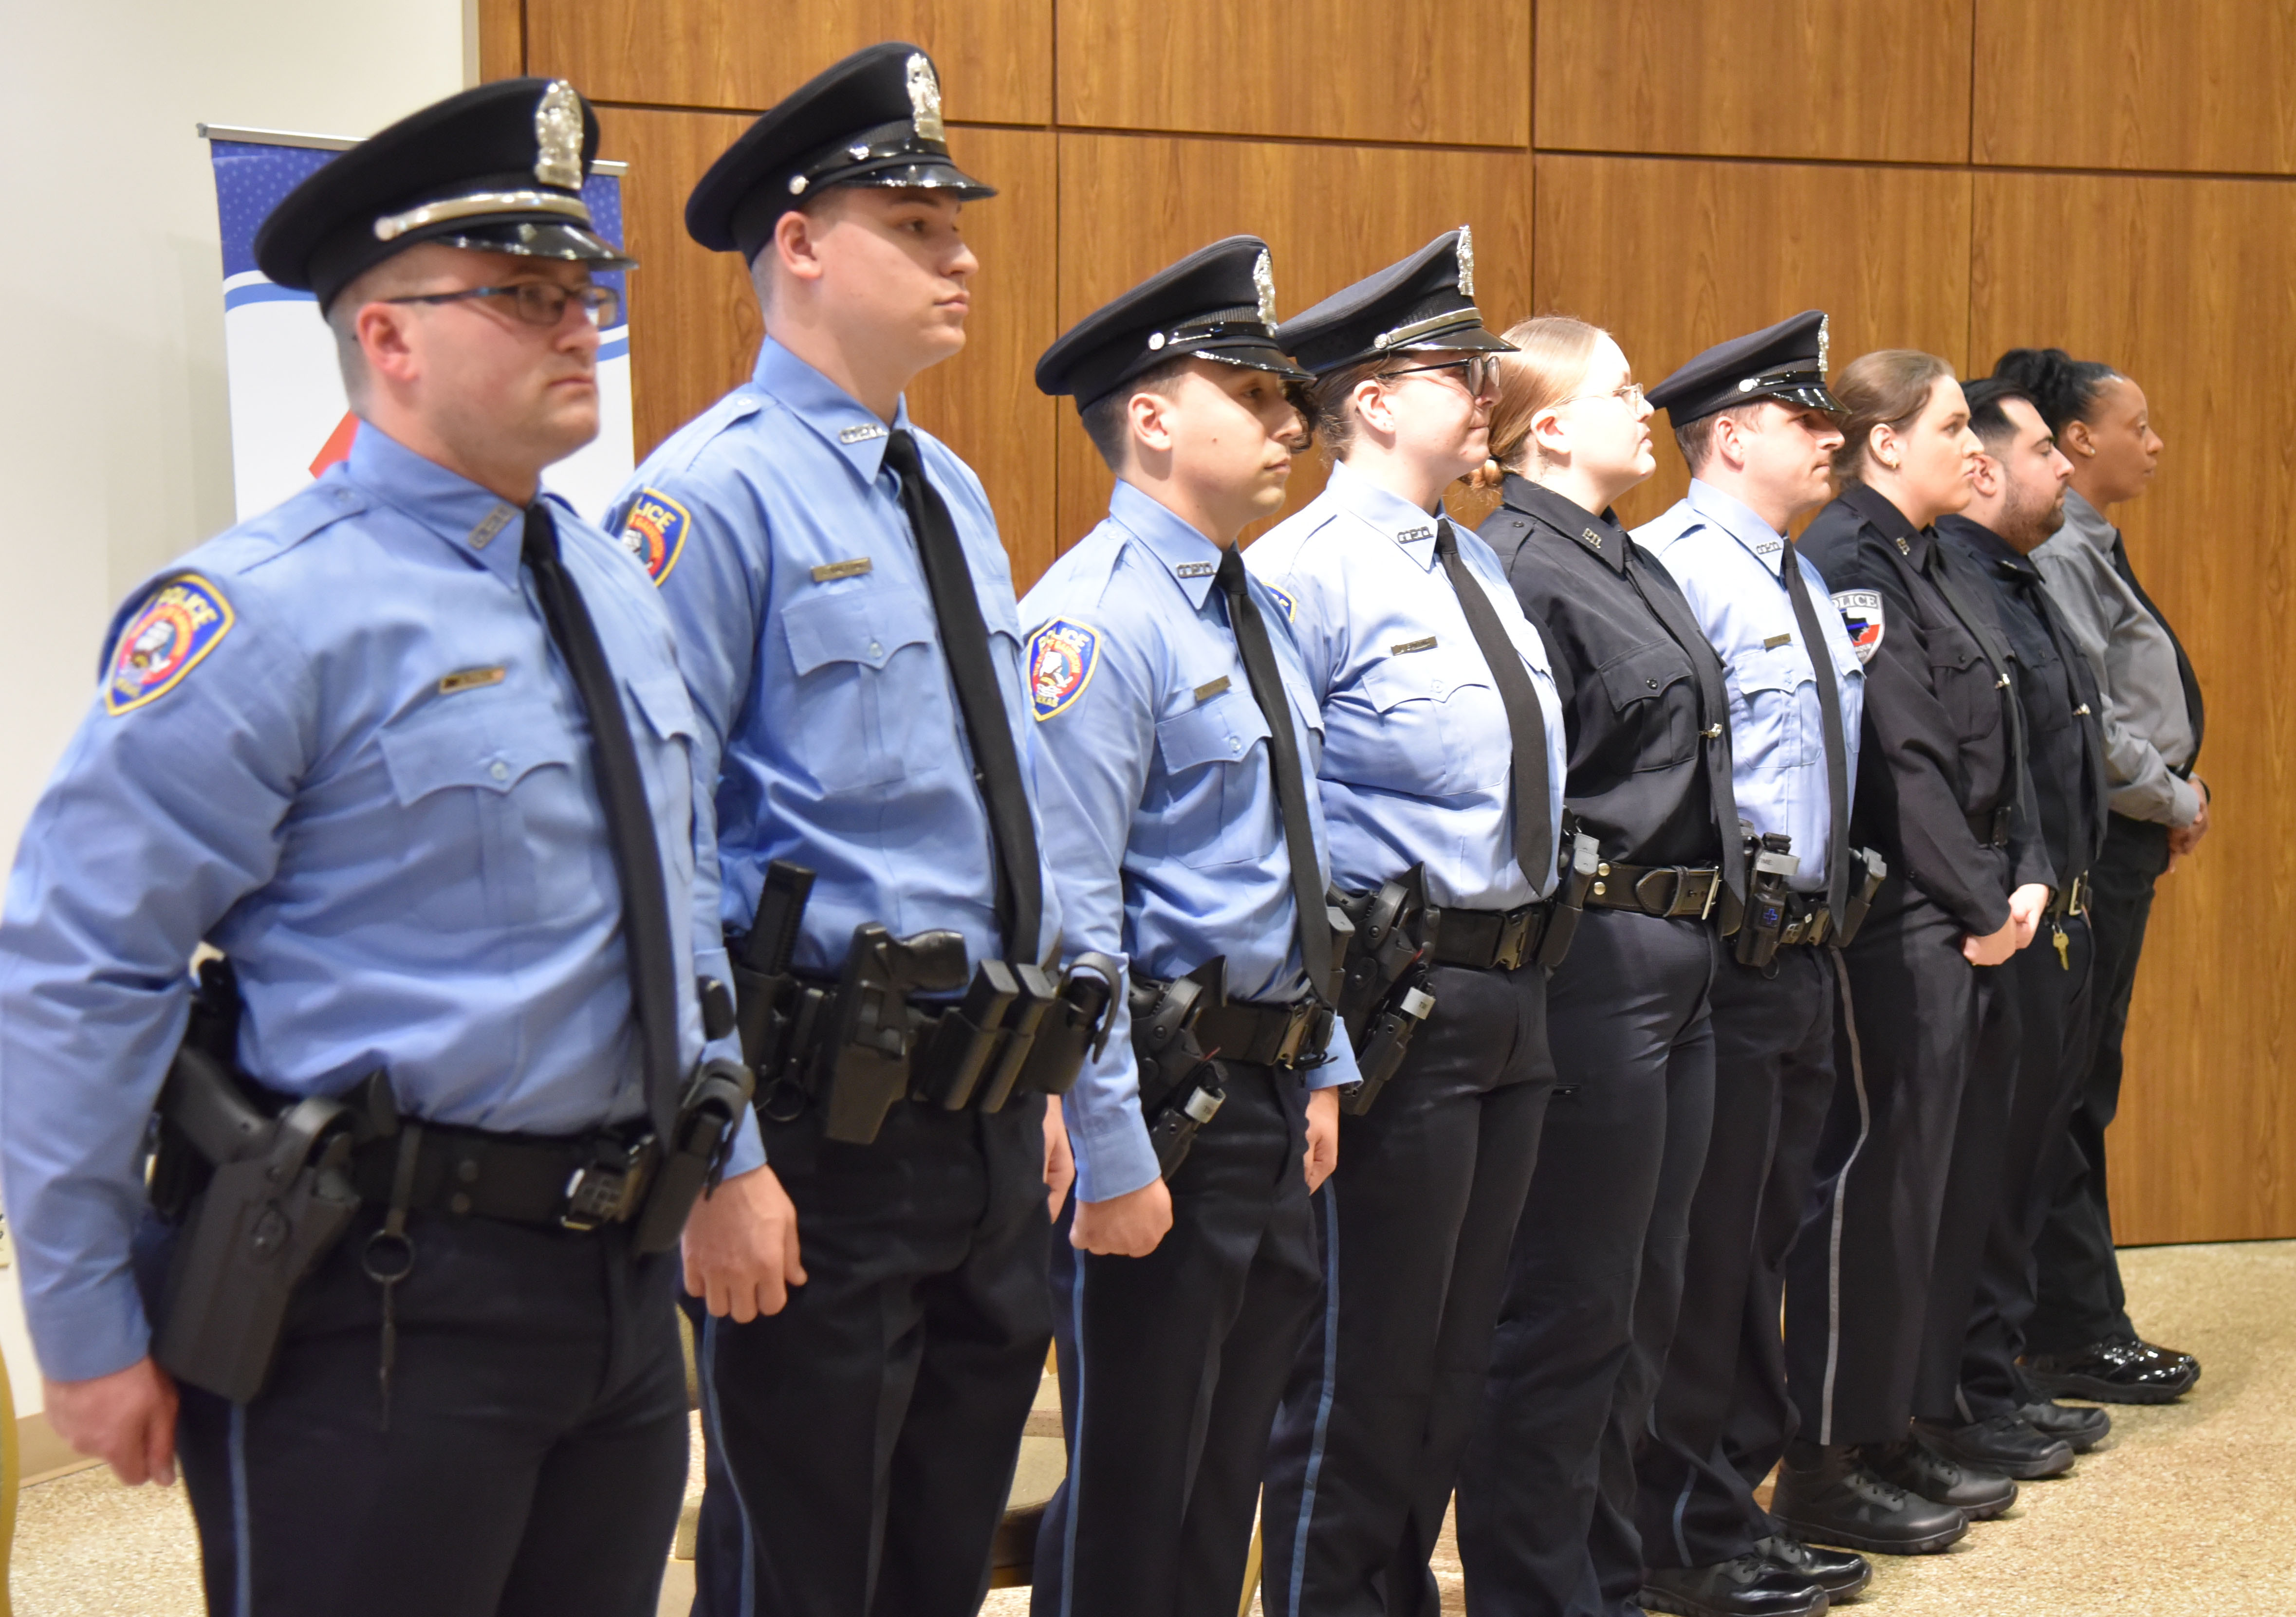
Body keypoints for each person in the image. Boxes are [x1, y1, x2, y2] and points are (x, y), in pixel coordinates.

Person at [0, 79, 728, 1615]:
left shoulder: (606, 585)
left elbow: (680, 911)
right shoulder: (262, 613)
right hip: (381, 1300)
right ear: (385, 338)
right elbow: (83, 968)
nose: (576, 321)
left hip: (613, 1280)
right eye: (522, 295)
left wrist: (735, 1158)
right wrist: (79, 1320)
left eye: (581, 286)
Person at [606, 44, 1083, 1617]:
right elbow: (655, 854)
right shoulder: (708, 500)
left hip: (985, 1108)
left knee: (942, 1541)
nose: (961, 259)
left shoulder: (944, 485)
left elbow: (1004, 807)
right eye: (917, 227)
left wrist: (1049, 1082)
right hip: (821, 1122)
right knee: (804, 1556)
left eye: (957, 228)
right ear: (798, 244)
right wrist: (720, 1157)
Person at [1020, 236, 1357, 1617]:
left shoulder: (1249, 607)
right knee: (1134, 1484)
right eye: (1255, 395)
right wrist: (1107, 1150)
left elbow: (1290, 854)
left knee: (1228, 1469)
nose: (1291, 423)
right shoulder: (1092, 622)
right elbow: (1067, 909)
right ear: (1151, 417)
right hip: (1161, 1107)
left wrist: (1322, 1059)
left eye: (1289, 401)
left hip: (1269, 1091)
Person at [1245, 230, 1570, 1617]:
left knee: (1452, 1355)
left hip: (1512, 992)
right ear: (1371, 399)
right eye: (1455, 370)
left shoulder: (1471, 563)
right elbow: (1279, 826)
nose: (1483, 391)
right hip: (1397, 1000)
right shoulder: (1301, 568)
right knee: (1359, 1360)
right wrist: (1316, 1038)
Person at [1455, 316, 1738, 1617]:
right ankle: (1536, 1591)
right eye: (1620, 390)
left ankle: (1606, 1582)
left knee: (1644, 1295)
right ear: (1547, 425)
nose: (1646, 408)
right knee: (1567, 1304)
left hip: (1681, 952)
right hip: (1598, 954)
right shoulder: (1514, 561)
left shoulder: (1626, 555)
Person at [1776, 351, 2055, 1555]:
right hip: (1910, 918)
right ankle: (1832, 1457)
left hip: (1976, 903)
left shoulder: (1931, 556)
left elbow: (2006, 720)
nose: (1976, 448)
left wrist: (2030, 864)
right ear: (1885, 443)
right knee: (1878, 1190)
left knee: (1939, 1188)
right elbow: (1904, 762)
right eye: (1952, 426)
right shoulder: (1851, 558)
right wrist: (1984, 898)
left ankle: (1898, 1421)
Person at [1630, 312, 1873, 1617]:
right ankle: (1686, 1530)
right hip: (1722, 961)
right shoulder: (1674, 570)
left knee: (1763, 1242)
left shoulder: (1791, 572)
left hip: (1804, 957)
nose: (1828, 437)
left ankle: (1733, 1501)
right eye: (1802, 418)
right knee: (1706, 1258)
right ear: (1730, 437)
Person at [1996, 347, 2204, 1404]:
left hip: (2124, 833)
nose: (2156, 442)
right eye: (2140, 423)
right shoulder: (2063, 551)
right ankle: (2074, 1324)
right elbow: (2090, 712)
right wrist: (2173, 796)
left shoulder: (2084, 542)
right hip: (2108, 836)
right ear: (2077, 441)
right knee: (2072, 1087)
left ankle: (2069, 1316)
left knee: (2085, 1078)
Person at [1933, 378, 2115, 1469]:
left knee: (2029, 1165)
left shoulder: (2018, 576)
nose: (2064, 466)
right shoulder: (1958, 581)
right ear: (1987, 467)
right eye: (2045, 449)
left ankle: (1998, 1374)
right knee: (1988, 1174)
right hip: (2012, 920)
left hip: (2066, 912)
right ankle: (1968, 1392)